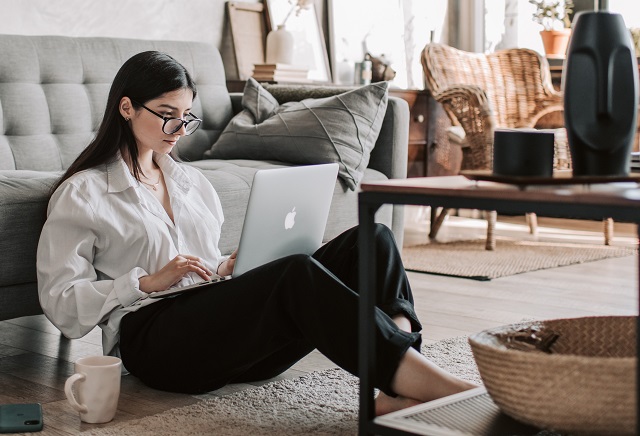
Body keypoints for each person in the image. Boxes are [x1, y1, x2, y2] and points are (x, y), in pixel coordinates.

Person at [36, 51, 476, 416]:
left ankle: (399, 384)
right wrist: (143, 283)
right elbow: (61, 301)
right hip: (155, 343)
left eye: (186, 118)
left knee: (373, 238)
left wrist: (228, 268)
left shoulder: (192, 184)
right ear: (127, 107)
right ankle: (437, 386)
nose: (178, 131)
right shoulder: (85, 192)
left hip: (225, 338)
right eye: (167, 116)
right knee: (296, 274)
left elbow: (202, 266)